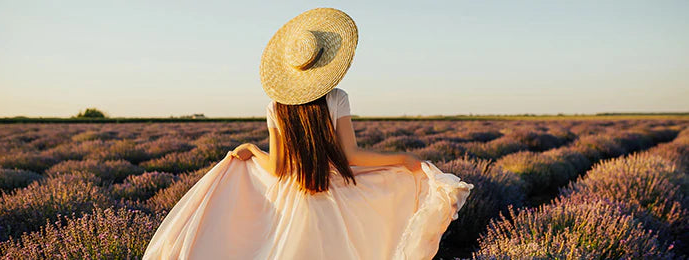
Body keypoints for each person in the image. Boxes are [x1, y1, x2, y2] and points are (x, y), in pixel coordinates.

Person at [143, 8, 473, 260]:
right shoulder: (336, 98)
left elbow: (278, 168)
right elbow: (350, 157)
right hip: (334, 195)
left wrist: (251, 150)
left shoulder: (276, 106)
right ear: (325, 64)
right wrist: (403, 159)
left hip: (292, 200)